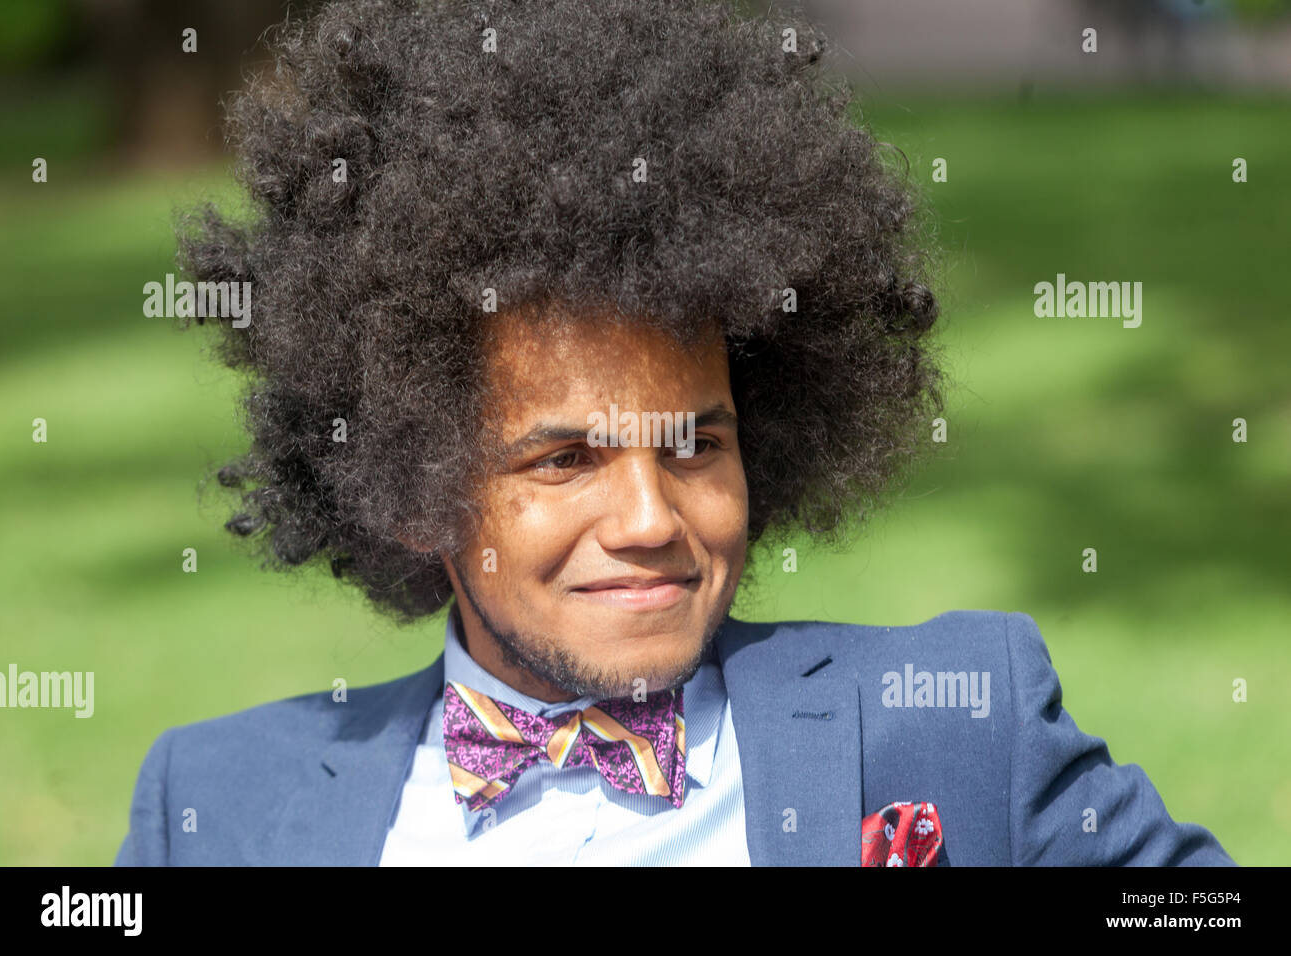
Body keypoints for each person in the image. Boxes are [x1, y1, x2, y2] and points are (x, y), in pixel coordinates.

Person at [115, 0, 1234, 866]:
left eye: (694, 444)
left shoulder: (955, 724)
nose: (651, 519)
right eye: (565, 458)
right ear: (413, 489)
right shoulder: (215, 803)